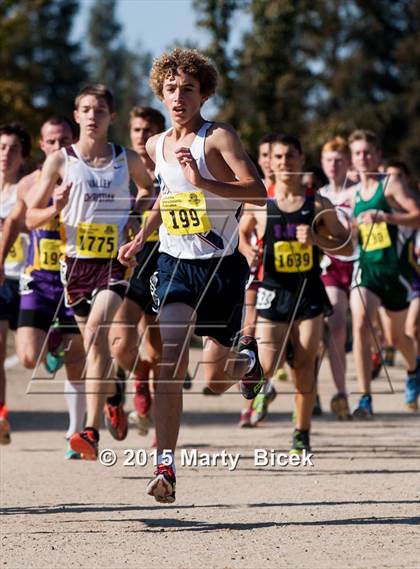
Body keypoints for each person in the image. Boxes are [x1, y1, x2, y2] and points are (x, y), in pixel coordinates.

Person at [118, 48, 267, 503]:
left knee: (214, 380)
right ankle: (165, 467)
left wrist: (206, 183)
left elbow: (258, 191)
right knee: (170, 361)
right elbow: (167, 195)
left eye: (187, 89)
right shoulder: (155, 144)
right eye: (170, 89)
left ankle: (247, 363)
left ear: (203, 93)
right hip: (175, 265)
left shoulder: (217, 137)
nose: (178, 97)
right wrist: (142, 236)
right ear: (160, 93)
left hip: (221, 270)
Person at [26, 84, 153, 459]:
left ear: (111, 117)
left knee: (97, 334)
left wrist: (133, 217)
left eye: (100, 110)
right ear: (76, 115)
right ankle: (113, 392)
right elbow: (31, 217)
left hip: (113, 263)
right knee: (91, 351)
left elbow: (150, 191)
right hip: (75, 266)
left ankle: (90, 431)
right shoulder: (60, 161)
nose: (93, 116)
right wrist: (55, 207)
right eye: (86, 109)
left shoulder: (125, 158)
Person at [244, 133, 352, 455]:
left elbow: (347, 245)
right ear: (270, 163)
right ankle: (264, 386)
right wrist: (248, 251)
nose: (284, 162)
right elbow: (241, 235)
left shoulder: (318, 204)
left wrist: (318, 242)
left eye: (290, 156)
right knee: (266, 361)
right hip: (273, 292)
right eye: (278, 157)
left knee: (305, 366)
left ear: (301, 159)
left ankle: (301, 433)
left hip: (308, 295)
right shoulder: (261, 202)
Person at [0, 117, 87, 458]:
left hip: (77, 276)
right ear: (41, 145)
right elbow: (20, 221)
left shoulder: (87, 176)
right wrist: (55, 208)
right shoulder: (31, 184)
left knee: (77, 360)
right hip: (38, 277)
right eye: (51, 141)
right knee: (26, 357)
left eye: (63, 140)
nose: (57, 147)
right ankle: (51, 342)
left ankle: (75, 433)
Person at [349, 130, 420, 416]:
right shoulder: (351, 192)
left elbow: (417, 214)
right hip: (367, 270)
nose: (363, 157)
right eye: (357, 153)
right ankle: (364, 398)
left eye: (368, 152)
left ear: (377, 156)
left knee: (396, 337)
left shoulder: (390, 185)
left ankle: (413, 369)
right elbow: (350, 232)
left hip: (395, 272)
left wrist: (387, 216)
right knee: (361, 321)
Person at [110, 106, 165, 438]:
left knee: (160, 349)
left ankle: (159, 425)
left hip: (164, 259)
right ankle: (139, 372)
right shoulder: (121, 170)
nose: (142, 136)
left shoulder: (171, 169)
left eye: (148, 130)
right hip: (128, 260)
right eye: (136, 130)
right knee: (120, 342)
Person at [239, 132, 279, 428]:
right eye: (264, 155)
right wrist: (247, 248)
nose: (268, 161)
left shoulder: (298, 192)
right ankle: (253, 400)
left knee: (281, 339)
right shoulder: (254, 192)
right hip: (258, 271)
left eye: (274, 155)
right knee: (250, 332)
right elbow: (241, 233)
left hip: (290, 277)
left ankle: (273, 382)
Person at [319, 136, 356, 419]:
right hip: (331, 266)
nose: (334, 165)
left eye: (339, 160)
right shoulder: (319, 196)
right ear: (322, 163)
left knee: (363, 326)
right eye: (329, 160)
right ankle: (338, 393)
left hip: (360, 264)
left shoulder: (359, 193)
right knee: (336, 325)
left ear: (348, 163)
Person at [0, 123, 31, 444]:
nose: (5, 154)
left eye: (12, 149)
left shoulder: (27, 188)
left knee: (27, 355)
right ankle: (1, 414)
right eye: (1, 147)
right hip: (0, 277)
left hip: (26, 278)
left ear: (23, 156)